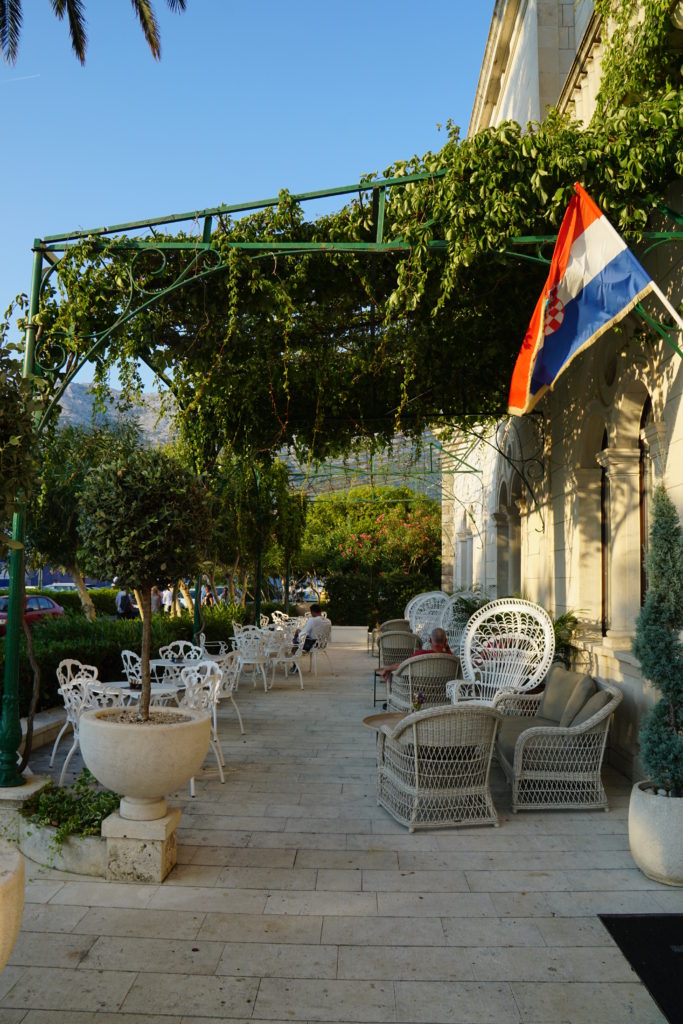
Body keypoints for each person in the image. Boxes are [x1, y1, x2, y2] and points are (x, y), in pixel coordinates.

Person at [380, 627, 453, 685]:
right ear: (445, 641)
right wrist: (446, 647)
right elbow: (450, 654)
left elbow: (403, 666)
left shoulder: (421, 655)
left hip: (419, 693)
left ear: (430, 640)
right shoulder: (451, 659)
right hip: (442, 694)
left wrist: (388, 668)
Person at [290, 604, 331, 670]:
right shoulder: (328, 621)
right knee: (298, 638)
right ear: (320, 611)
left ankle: (295, 663)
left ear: (312, 612)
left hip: (312, 644)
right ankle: (294, 650)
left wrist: (298, 632)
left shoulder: (313, 620)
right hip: (322, 644)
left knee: (297, 636)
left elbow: (304, 632)